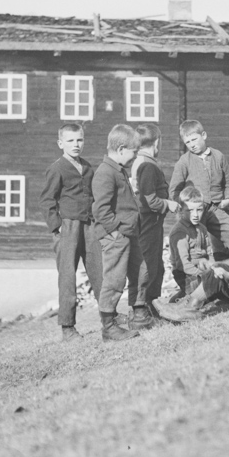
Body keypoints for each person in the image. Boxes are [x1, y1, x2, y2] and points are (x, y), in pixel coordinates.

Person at [39, 123, 102, 342]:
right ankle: (68, 327)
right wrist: (57, 227)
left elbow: (93, 196)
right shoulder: (57, 168)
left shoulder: (87, 167)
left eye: (79, 140)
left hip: (89, 226)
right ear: (60, 144)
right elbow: (47, 200)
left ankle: (109, 318)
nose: (76, 145)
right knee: (67, 277)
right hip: (67, 228)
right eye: (71, 141)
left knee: (98, 271)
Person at [92, 124, 148, 342]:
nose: (135, 156)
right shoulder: (105, 172)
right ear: (122, 148)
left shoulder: (118, 169)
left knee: (141, 272)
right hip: (116, 236)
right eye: (134, 151)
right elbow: (100, 210)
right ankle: (109, 327)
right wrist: (116, 233)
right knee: (114, 281)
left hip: (128, 234)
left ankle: (140, 315)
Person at [169, 119, 229, 256]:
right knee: (197, 245)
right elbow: (174, 190)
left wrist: (228, 199)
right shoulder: (184, 161)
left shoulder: (219, 157)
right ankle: (195, 274)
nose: (192, 145)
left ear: (204, 135)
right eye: (188, 142)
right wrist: (185, 207)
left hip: (217, 208)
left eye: (194, 139)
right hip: (194, 212)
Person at [131, 124, 179, 316]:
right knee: (150, 265)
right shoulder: (148, 165)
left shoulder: (139, 161)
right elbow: (149, 200)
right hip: (148, 221)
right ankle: (143, 309)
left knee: (152, 264)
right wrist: (169, 204)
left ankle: (147, 307)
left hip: (147, 221)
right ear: (157, 142)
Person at [168, 186, 228, 299]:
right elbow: (183, 265)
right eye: (190, 210)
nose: (195, 215)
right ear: (181, 210)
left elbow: (209, 252)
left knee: (219, 285)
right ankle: (181, 300)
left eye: (199, 210)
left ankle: (184, 296)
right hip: (185, 272)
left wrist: (213, 266)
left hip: (201, 267)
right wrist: (204, 274)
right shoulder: (179, 233)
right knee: (205, 293)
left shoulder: (202, 228)